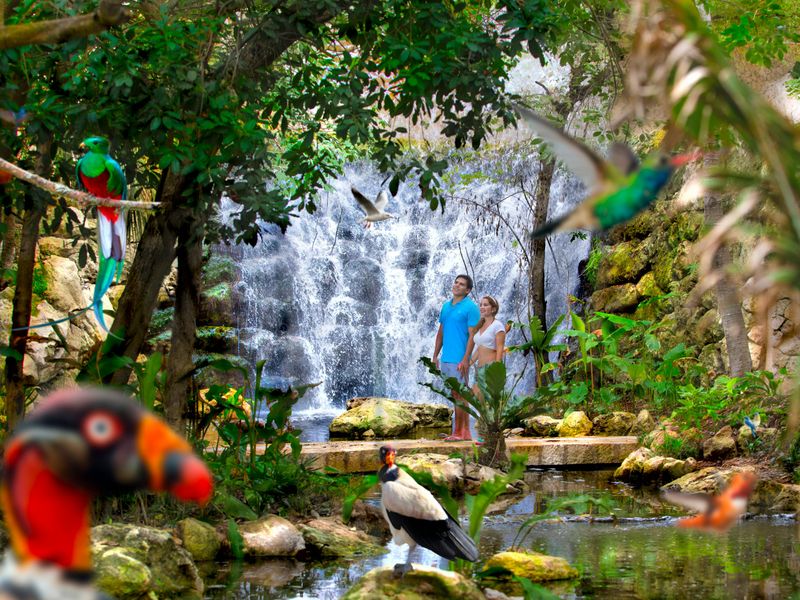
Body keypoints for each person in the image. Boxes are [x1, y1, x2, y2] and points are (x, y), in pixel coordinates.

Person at [432, 274, 480, 441]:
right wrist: (435, 355)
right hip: (446, 357)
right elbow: (441, 332)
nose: (457, 286)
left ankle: (462, 432)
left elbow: (473, 335)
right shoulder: (446, 306)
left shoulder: (471, 308)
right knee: (455, 394)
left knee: (461, 394)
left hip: (459, 358)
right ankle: (459, 431)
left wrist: (466, 359)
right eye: (456, 282)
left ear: (467, 290)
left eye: (461, 284)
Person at [470, 296, 506, 371]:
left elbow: (500, 349)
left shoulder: (497, 326)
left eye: (485, 305)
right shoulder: (480, 325)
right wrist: (469, 364)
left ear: (493, 309)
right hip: (479, 369)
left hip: (491, 369)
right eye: (481, 305)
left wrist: (496, 370)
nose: (482, 307)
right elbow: (479, 349)